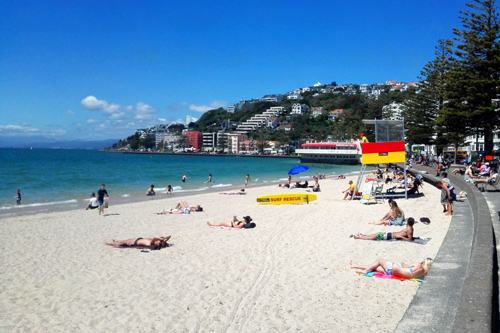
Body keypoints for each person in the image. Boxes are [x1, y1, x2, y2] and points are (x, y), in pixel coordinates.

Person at [350, 257, 434, 280]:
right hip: (393, 273)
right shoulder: (423, 274)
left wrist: (403, 263)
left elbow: (404, 267)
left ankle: (365, 270)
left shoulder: (418, 265)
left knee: (379, 261)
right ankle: (355, 266)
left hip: (394, 268)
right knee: (376, 268)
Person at [105, 236, 171, 250]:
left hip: (134, 242)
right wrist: (164, 239)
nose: (157, 241)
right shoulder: (154, 242)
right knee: (123, 240)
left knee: (121, 244)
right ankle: (116, 240)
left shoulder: (150, 243)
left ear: (157, 244)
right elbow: (169, 236)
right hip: (137, 239)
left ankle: (108, 243)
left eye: (158, 242)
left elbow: (154, 238)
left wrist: (160, 239)